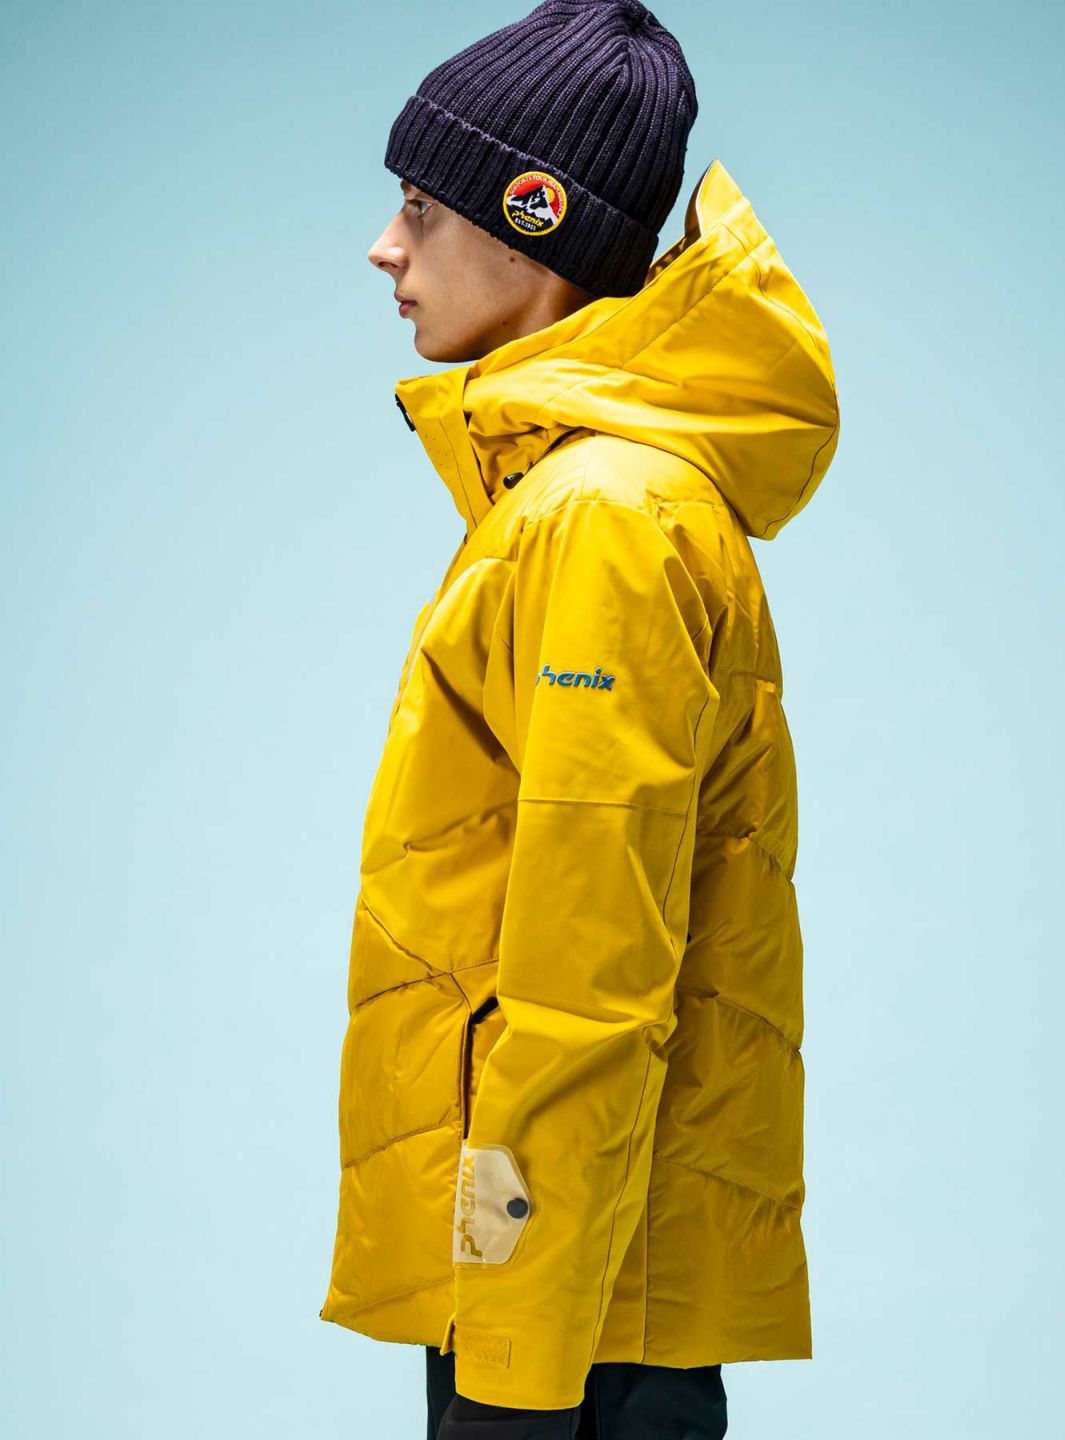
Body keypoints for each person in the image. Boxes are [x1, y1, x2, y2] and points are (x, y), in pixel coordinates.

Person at [317, 3, 841, 1437]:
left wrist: (513, 1348)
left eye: (422, 209)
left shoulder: (603, 515)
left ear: (531, 225)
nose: (386, 248)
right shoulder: (591, 497)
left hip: (568, 1316)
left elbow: (585, 978)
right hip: (583, 1280)